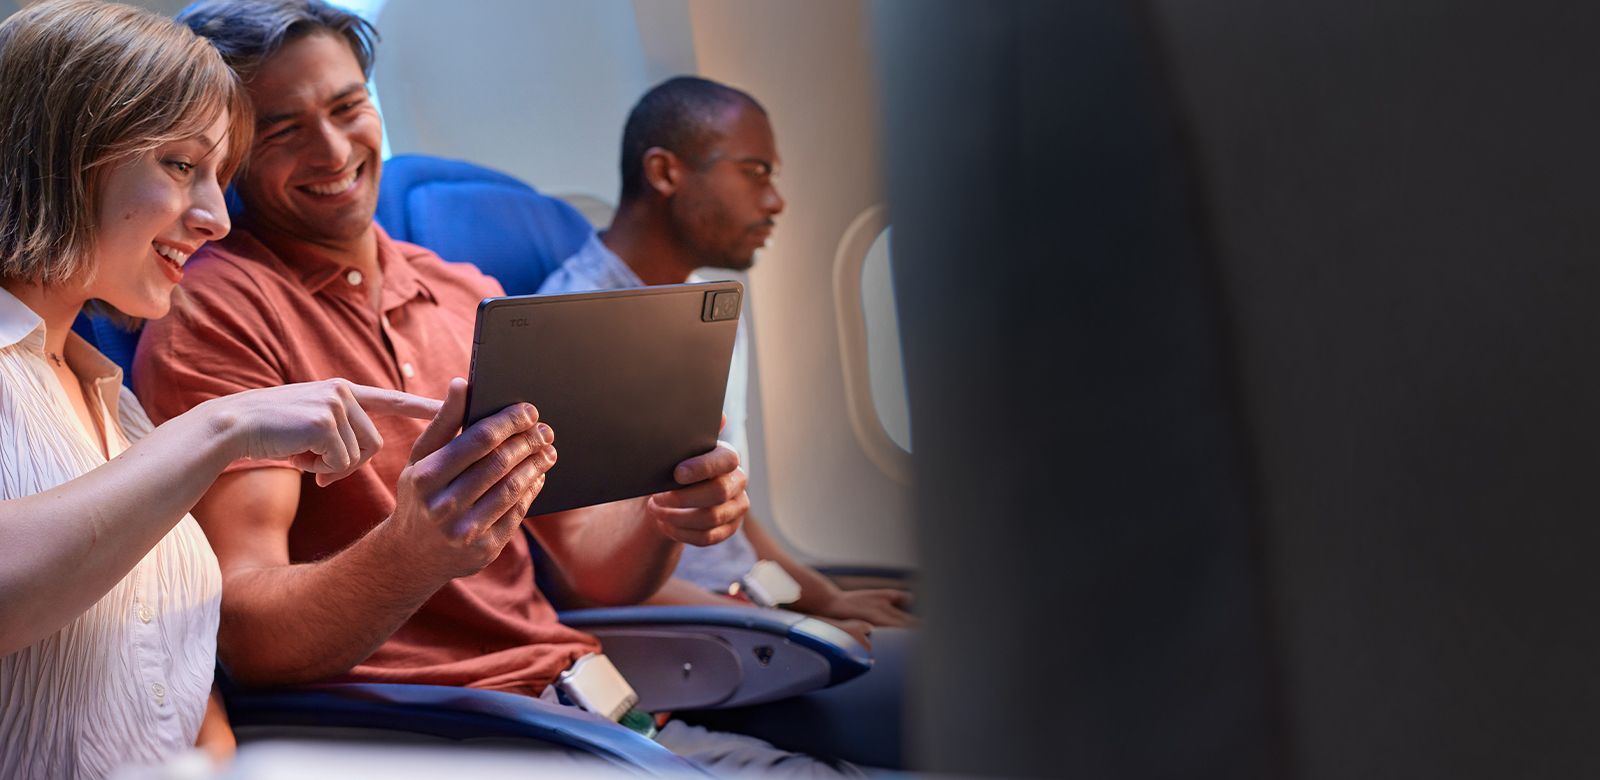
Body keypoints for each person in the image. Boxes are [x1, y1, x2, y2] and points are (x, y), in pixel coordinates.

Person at [136, 3, 853, 775]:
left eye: (348, 108)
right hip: (440, 733)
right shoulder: (214, 311)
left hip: (599, 709)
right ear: (234, 153)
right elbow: (250, 638)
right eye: (283, 129)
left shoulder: (468, 295)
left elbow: (590, 573)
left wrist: (668, 514)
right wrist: (415, 549)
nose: (335, 150)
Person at [0, 2, 514, 776]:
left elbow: (170, 666)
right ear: (62, 154)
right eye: (182, 166)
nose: (214, 217)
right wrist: (221, 426)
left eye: (220, 176)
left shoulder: (111, 398)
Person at [539, 77, 915, 648]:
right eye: (755, 172)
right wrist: (791, 631)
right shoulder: (570, 328)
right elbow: (587, 576)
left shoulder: (708, 312)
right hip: (687, 635)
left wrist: (826, 598)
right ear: (665, 173)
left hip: (748, 607)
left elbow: (732, 513)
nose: (776, 201)